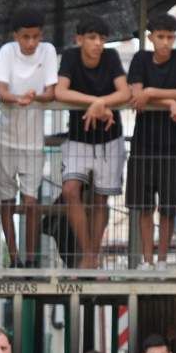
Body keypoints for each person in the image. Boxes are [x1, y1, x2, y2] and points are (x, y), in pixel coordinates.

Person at [55, 16, 129, 270]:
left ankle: (91, 257)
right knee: (70, 190)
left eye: (102, 39)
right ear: (79, 39)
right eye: (92, 38)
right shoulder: (70, 56)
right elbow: (60, 92)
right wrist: (95, 102)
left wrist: (102, 103)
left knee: (101, 199)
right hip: (78, 137)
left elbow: (125, 92)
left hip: (110, 137)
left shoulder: (111, 57)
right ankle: (87, 254)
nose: (98, 43)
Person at [0, 8, 58, 269]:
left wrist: (34, 97)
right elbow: (1, 92)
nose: (31, 42)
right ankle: (13, 256)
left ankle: (31, 259)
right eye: (26, 37)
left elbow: (51, 92)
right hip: (5, 138)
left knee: (31, 201)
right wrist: (19, 99)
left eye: (36, 37)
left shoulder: (48, 51)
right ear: (16, 36)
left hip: (33, 140)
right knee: (6, 200)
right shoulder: (7, 52)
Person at [126, 14, 176, 270]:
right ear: (150, 37)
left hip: (172, 144)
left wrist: (152, 93)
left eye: (170, 37)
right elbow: (136, 95)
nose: (166, 42)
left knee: (168, 207)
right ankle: (146, 260)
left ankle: (162, 261)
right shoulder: (140, 58)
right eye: (161, 37)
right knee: (143, 206)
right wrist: (171, 101)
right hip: (143, 142)